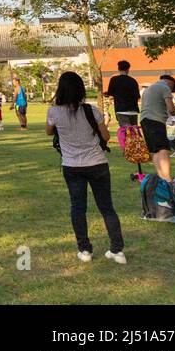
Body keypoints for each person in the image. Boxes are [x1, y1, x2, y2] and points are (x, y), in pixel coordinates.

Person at [45, 71, 125, 264]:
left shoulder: (54, 112)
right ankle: (117, 250)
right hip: (97, 163)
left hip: (72, 166)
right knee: (106, 207)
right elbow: (105, 137)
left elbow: (49, 132)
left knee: (78, 208)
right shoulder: (92, 110)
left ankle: (85, 249)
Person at [141, 74, 175, 185]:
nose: (171, 91)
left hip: (144, 120)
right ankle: (167, 178)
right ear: (170, 83)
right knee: (163, 149)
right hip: (156, 121)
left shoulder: (147, 89)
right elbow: (171, 109)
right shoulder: (165, 88)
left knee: (154, 151)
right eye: (172, 88)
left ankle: (162, 177)